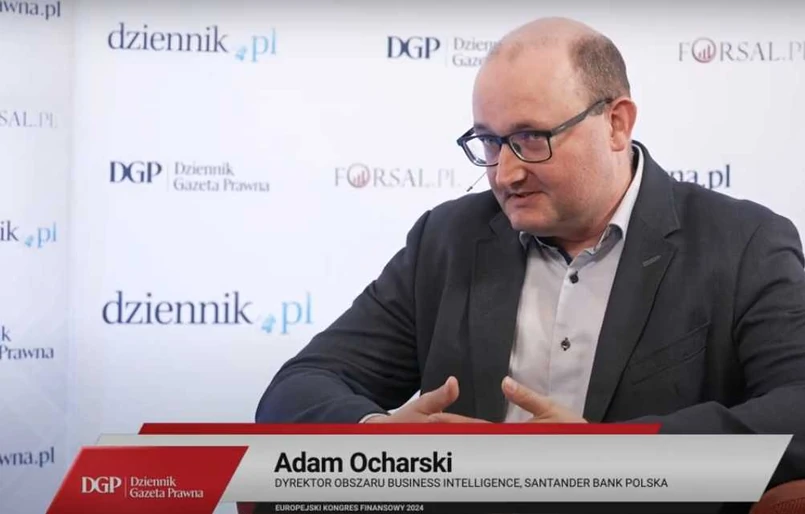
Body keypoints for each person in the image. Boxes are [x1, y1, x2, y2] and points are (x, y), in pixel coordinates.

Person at [256, 15, 805, 502]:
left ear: (616, 124)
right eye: (489, 142)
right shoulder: (446, 239)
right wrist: (379, 439)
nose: (505, 173)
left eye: (531, 138)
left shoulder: (743, 244)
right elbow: (300, 386)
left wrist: (613, 461)